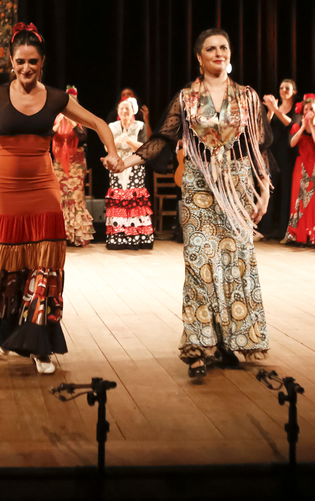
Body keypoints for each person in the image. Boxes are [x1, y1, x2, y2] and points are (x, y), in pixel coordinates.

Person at [0, 22, 120, 374]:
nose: (26, 68)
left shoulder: (55, 97)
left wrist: (111, 153)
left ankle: (39, 343)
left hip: (42, 183)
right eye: (20, 61)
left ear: (42, 62)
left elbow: (99, 122)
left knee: (44, 261)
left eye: (33, 62)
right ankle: (8, 331)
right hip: (4, 187)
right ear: (10, 60)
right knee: (6, 260)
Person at [119, 28, 271, 379]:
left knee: (235, 267)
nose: (219, 53)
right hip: (200, 188)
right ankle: (200, 346)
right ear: (199, 58)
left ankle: (231, 343)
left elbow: (259, 148)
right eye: (211, 49)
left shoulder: (248, 97)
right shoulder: (186, 98)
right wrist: (124, 162)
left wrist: (263, 192)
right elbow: (162, 139)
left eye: (224, 47)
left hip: (237, 190)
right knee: (200, 263)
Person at [105, 97, 154, 250]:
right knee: (119, 198)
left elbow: (145, 147)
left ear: (133, 111)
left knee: (134, 199)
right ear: (118, 112)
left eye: (128, 108)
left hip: (135, 166)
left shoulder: (140, 126)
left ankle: (137, 237)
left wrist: (129, 142)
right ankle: (117, 238)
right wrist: (118, 141)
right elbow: (107, 148)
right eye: (122, 108)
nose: (125, 111)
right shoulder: (112, 127)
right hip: (117, 166)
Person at [52, 86, 95, 247]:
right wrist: (59, 121)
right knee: (60, 197)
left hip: (76, 161)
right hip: (59, 162)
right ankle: (61, 234)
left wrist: (71, 120)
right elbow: (48, 135)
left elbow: (83, 136)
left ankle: (76, 235)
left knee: (75, 196)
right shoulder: (56, 117)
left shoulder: (80, 116)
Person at [284, 94, 315, 246]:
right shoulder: (296, 127)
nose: (309, 111)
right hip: (300, 165)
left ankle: (314, 235)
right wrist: (304, 126)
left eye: (312, 108)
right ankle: (298, 234)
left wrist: (312, 126)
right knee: (299, 200)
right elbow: (292, 144)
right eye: (306, 109)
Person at [261, 79, 298, 239]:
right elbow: (266, 128)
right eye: (281, 87)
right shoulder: (275, 108)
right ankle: (266, 229)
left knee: (285, 192)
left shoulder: (296, 109)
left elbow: (291, 124)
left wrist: (275, 109)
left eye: (287, 88)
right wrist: (270, 111)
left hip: (287, 154)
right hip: (272, 153)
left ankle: (284, 230)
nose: (283, 90)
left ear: (294, 92)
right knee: (269, 190)